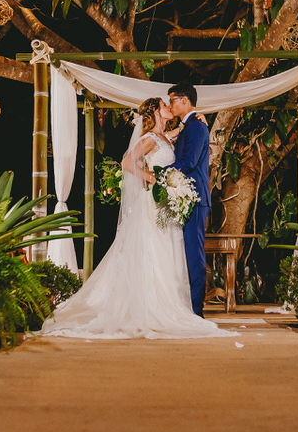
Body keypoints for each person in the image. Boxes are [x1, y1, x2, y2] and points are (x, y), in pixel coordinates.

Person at [39, 97, 230, 339]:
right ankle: (150, 307)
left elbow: (183, 132)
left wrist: (198, 119)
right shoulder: (149, 138)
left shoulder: (164, 137)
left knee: (169, 252)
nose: (169, 107)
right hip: (153, 205)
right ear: (155, 111)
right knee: (154, 251)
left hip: (167, 205)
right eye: (164, 105)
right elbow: (128, 162)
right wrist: (152, 178)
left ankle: (168, 305)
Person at [166, 82, 210, 317]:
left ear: (184, 100)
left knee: (194, 255)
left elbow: (189, 162)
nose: (170, 105)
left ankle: (196, 311)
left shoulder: (196, 127)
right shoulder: (188, 127)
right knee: (182, 254)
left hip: (194, 198)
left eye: (172, 100)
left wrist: (159, 174)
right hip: (183, 197)